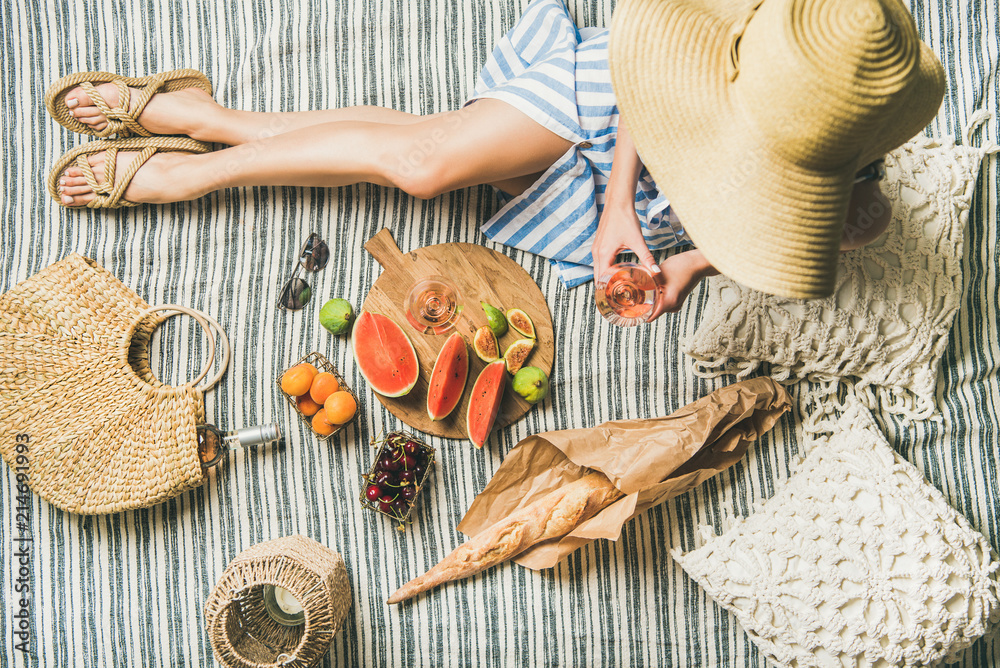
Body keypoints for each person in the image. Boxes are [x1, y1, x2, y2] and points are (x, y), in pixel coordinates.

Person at [47, 0, 942, 315]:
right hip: (617, 104)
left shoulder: (844, 169)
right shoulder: (753, 36)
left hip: (642, 200)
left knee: (424, 141)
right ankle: (192, 169)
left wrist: (689, 266)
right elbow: (655, 79)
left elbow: (817, 245)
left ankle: (215, 118)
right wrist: (623, 205)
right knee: (426, 166)